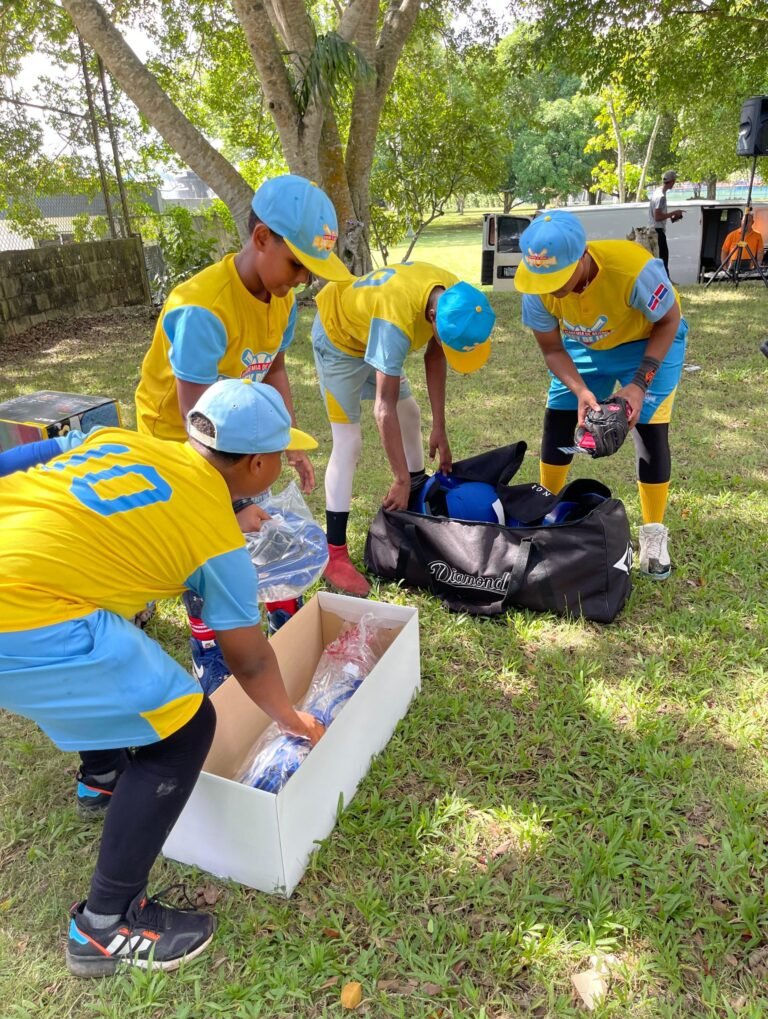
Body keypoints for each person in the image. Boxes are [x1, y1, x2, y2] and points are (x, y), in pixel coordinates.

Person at [0, 378, 325, 977]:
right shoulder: (217, 545)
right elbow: (250, 660)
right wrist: (292, 718)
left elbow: (40, 455)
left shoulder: (125, 441)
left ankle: (103, 777)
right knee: (185, 728)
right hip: (23, 615)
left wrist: (229, 512)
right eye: (279, 455)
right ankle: (106, 924)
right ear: (257, 464)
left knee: (116, 656)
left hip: (20, 561)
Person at [134, 174, 350, 697]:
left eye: (311, 269)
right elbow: (200, 428)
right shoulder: (202, 309)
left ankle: (283, 616)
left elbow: (273, 368)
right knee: (209, 546)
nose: (303, 279)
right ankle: (210, 650)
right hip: (182, 440)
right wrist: (226, 508)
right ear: (261, 238)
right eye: (297, 264)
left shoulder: (280, 299)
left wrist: (285, 442)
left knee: (264, 526)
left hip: (241, 431)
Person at [514, 210, 689, 580]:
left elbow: (669, 320)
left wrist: (639, 384)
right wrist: (579, 390)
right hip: (583, 347)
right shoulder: (537, 287)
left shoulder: (633, 269)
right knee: (559, 418)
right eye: (542, 279)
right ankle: (545, 511)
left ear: (582, 256)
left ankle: (653, 533)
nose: (549, 288)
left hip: (646, 342)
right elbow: (552, 349)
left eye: (557, 278)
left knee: (649, 430)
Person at [312, 262, 496, 595]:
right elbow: (383, 410)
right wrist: (398, 478)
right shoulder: (396, 320)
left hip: (372, 332)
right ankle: (334, 553)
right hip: (339, 337)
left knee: (410, 412)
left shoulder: (456, 298)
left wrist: (440, 428)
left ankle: (415, 497)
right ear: (432, 318)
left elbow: (435, 356)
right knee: (349, 443)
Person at [648, 170, 684, 275]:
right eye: (674, 180)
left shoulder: (657, 192)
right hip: (657, 231)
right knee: (664, 258)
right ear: (672, 181)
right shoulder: (661, 196)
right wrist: (674, 213)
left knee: (661, 258)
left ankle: (665, 280)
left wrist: (672, 217)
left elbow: (658, 216)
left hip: (654, 229)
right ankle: (666, 280)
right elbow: (657, 217)